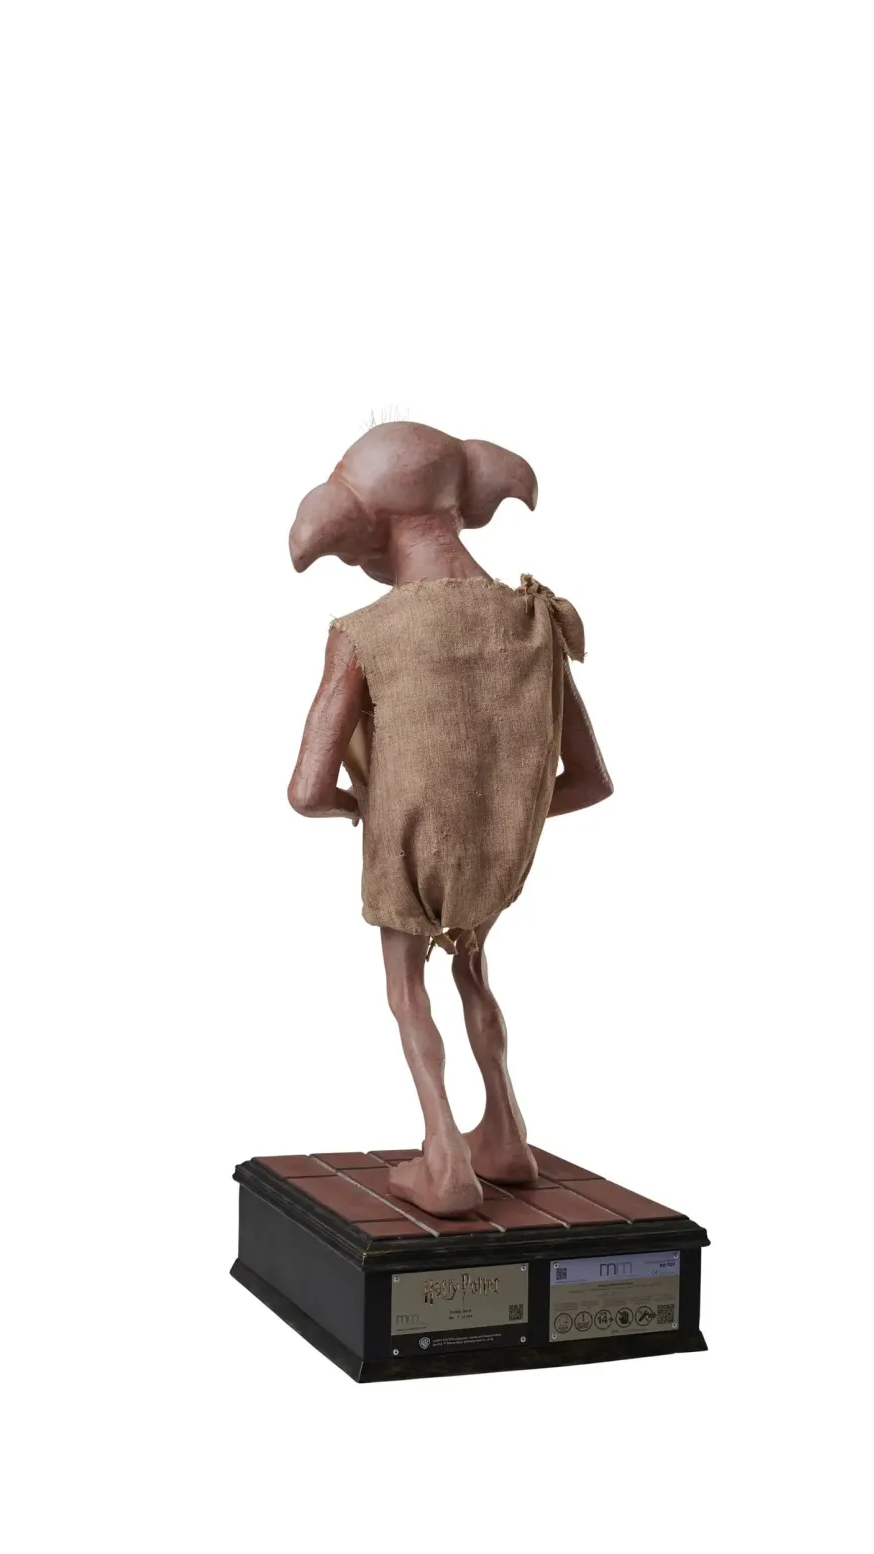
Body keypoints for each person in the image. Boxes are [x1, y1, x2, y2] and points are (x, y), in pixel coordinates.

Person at [287, 421, 612, 1216]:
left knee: (409, 989)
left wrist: (363, 808)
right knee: (472, 965)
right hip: (495, 864)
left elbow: (306, 790)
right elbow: (588, 780)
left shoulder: (366, 634)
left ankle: (445, 1158)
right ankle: (505, 1131)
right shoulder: (533, 620)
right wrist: (499, 819)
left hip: (406, 857)